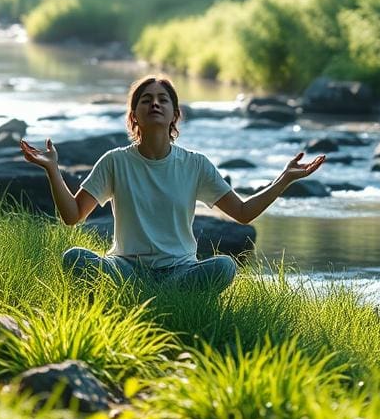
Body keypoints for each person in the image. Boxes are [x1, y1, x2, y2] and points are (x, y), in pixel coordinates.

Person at [20, 75, 325, 292]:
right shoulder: (115, 161)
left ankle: (152, 298)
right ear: (134, 117)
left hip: (180, 271)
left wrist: (284, 179)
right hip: (126, 268)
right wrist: (52, 170)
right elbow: (72, 216)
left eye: (162, 99)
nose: (155, 103)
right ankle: (146, 296)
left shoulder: (195, 164)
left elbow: (243, 213)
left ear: (175, 115)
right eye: (146, 100)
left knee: (225, 267)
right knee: (74, 257)